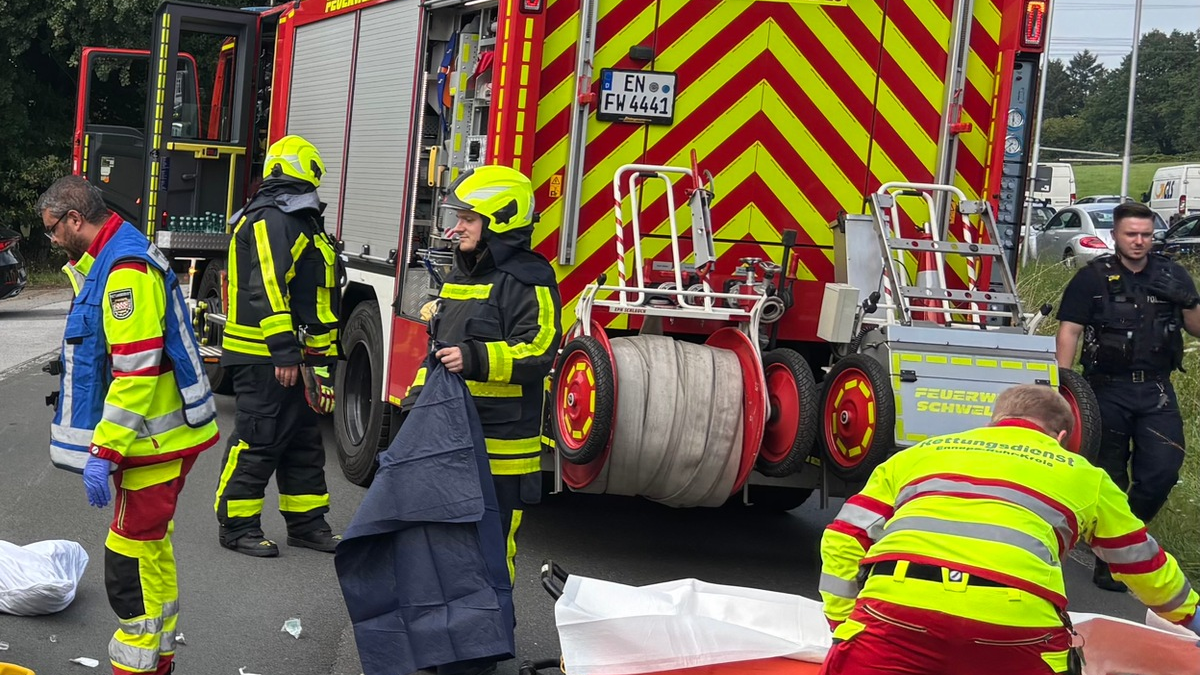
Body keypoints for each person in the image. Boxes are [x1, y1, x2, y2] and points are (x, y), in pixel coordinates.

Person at [818, 384, 1199, 675]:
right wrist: (1190, 614)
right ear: (1062, 438)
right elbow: (1140, 561)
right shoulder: (1084, 475)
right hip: (1011, 625)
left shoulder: (921, 453)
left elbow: (843, 536)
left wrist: (844, 622)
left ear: (993, 422)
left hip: (897, 613)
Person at [40, 175, 220, 675]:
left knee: (126, 560)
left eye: (53, 229)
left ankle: (136, 666)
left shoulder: (123, 272)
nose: (52, 240)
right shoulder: (117, 256)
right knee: (151, 546)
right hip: (165, 438)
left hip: (154, 441)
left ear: (75, 219)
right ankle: (159, 657)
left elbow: (135, 374)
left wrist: (105, 451)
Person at [402, 164, 561, 675]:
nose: (456, 228)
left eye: (468, 218)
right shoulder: (458, 277)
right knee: (441, 548)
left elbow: (539, 351)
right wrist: (412, 411)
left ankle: (480, 655)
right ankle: (445, 649)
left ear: (500, 218)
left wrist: (476, 358)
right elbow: (437, 354)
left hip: (502, 453)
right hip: (451, 445)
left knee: (489, 555)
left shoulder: (529, 281)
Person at [1055, 201, 1200, 591]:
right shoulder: (1092, 278)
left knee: (1163, 472)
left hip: (1155, 389)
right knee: (1111, 478)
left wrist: (1188, 301)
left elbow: (1197, 329)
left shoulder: (1173, 274)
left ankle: (1120, 545)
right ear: (1116, 235)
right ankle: (1111, 560)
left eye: (1146, 235)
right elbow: (1070, 330)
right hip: (1105, 390)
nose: (1139, 241)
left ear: (1154, 235)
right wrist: (1063, 386)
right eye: (1131, 234)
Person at [214, 134, 342, 557]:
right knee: (259, 439)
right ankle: (237, 526)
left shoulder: (295, 216)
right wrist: (284, 352)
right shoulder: (273, 216)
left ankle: (307, 525)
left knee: (304, 442)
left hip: (293, 355)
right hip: (265, 356)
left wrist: (315, 357)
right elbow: (268, 287)